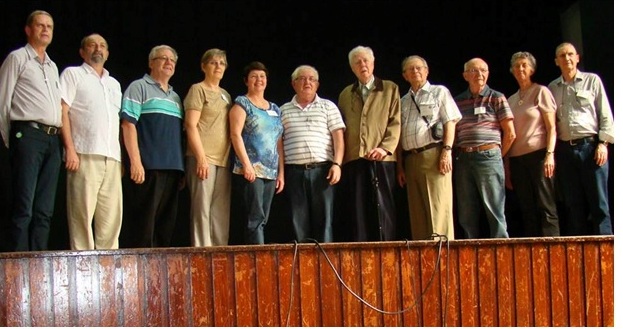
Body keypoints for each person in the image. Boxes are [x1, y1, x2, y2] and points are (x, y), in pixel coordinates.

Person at [0, 10, 62, 251]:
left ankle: (39, 261)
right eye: (40, 25)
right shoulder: (17, 58)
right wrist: (11, 139)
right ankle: (19, 263)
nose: (45, 29)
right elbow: (3, 101)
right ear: (28, 29)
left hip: (52, 139)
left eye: (49, 26)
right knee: (24, 206)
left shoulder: (53, 66)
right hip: (27, 135)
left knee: (44, 210)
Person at [59, 33, 123, 250]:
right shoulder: (73, 74)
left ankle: (109, 269)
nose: (98, 48)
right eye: (92, 45)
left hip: (112, 157)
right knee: (81, 215)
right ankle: (83, 268)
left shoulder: (114, 83)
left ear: (107, 53)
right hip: (84, 152)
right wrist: (70, 149)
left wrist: (120, 158)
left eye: (103, 45)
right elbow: (62, 110)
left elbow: (116, 122)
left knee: (112, 219)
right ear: (82, 51)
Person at [119, 45, 185, 248]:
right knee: (143, 226)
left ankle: (159, 275)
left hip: (173, 169)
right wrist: (135, 162)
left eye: (172, 60)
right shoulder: (138, 87)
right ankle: (142, 274)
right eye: (163, 58)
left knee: (165, 227)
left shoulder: (175, 97)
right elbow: (128, 125)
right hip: (148, 167)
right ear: (151, 63)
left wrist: (181, 169)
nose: (168, 63)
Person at [547, 42, 614, 236]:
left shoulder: (592, 80)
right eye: (562, 56)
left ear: (577, 57)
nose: (566, 58)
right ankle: (579, 257)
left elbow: (605, 114)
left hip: (591, 147)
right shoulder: (552, 87)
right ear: (556, 61)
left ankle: (606, 255)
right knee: (573, 204)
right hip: (565, 151)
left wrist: (603, 144)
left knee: (599, 204)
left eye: (570, 54)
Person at [337, 46, 401, 242]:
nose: (362, 65)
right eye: (357, 62)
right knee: (358, 211)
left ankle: (387, 250)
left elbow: (396, 121)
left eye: (365, 60)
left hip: (383, 158)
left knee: (384, 209)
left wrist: (385, 148)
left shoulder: (389, 88)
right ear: (352, 68)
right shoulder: (345, 94)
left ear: (373, 63)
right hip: (354, 158)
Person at [396, 55, 462, 241]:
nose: (415, 71)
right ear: (405, 75)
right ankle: (422, 258)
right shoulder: (402, 101)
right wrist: (400, 166)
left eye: (419, 68)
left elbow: (450, 121)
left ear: (426, 71)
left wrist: (447, 151)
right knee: (417, 213)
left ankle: (442, 257)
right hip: (411, 159)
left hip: (433, 154)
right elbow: (398, 136)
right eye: (410, 69)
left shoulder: (439, 92)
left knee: (438, 208)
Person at [280, 65, 345, 243]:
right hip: (294, 172)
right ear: (294, 84)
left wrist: (337, 164)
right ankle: (302, 267)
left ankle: (324, 268)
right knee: (297, 223)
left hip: (323, 171)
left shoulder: (328, 106)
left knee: (325, 222)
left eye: (311, 79)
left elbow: (338, 138)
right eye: (302, 78)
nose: (307, 82)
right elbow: (278, 144)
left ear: (317, 84)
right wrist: (281, 174)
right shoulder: (282, 110)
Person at [453, 58, 515, 239]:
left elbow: (510, 134)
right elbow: (454, 131)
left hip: (489, 156)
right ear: (465, 75)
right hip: (464, 158)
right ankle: (469, 254)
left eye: (483, 70)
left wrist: (495, 154)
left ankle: (501, 252)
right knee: (466, 211)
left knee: (494, 209)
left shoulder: (496, 97)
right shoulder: (457, 101)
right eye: (474, 70)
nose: (479, 74)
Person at [505, 51, 560, 237]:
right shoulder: (511, 100)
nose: (520, 68)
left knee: (546, 205)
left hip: (539, 156)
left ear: (532, 69)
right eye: (517, 66)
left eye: (524, 65)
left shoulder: (541, 91)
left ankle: (553, 252)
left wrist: (550, 154)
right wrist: (506, 166)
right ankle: (533, 257)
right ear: (512, 70)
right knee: (526, 208)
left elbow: (552, 127)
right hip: (517, 160)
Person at [229, 61, 284, 245]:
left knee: (263, 218)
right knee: (255, 218)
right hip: (251, 170)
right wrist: (246, 165)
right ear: (246, 81)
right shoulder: (242, 103)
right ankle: (258, 260)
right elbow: (235, 134)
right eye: (254, 76)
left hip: (270, 171)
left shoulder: (275, 108)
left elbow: (278, 142)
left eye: (262, 76)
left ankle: (259, 256)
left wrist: (280, 173)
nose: (258, 80)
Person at [183, 48, 232, 247]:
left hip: (223, 159)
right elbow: (190, 125)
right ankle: (202, 252)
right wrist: (201, 157)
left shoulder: (226, 94)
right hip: (202, 157)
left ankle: (220, 252)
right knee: (201, 209)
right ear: (204, 66)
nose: (218, 66)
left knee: (220, 210)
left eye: (222, 63)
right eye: (213, 62)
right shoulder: (198, 89)